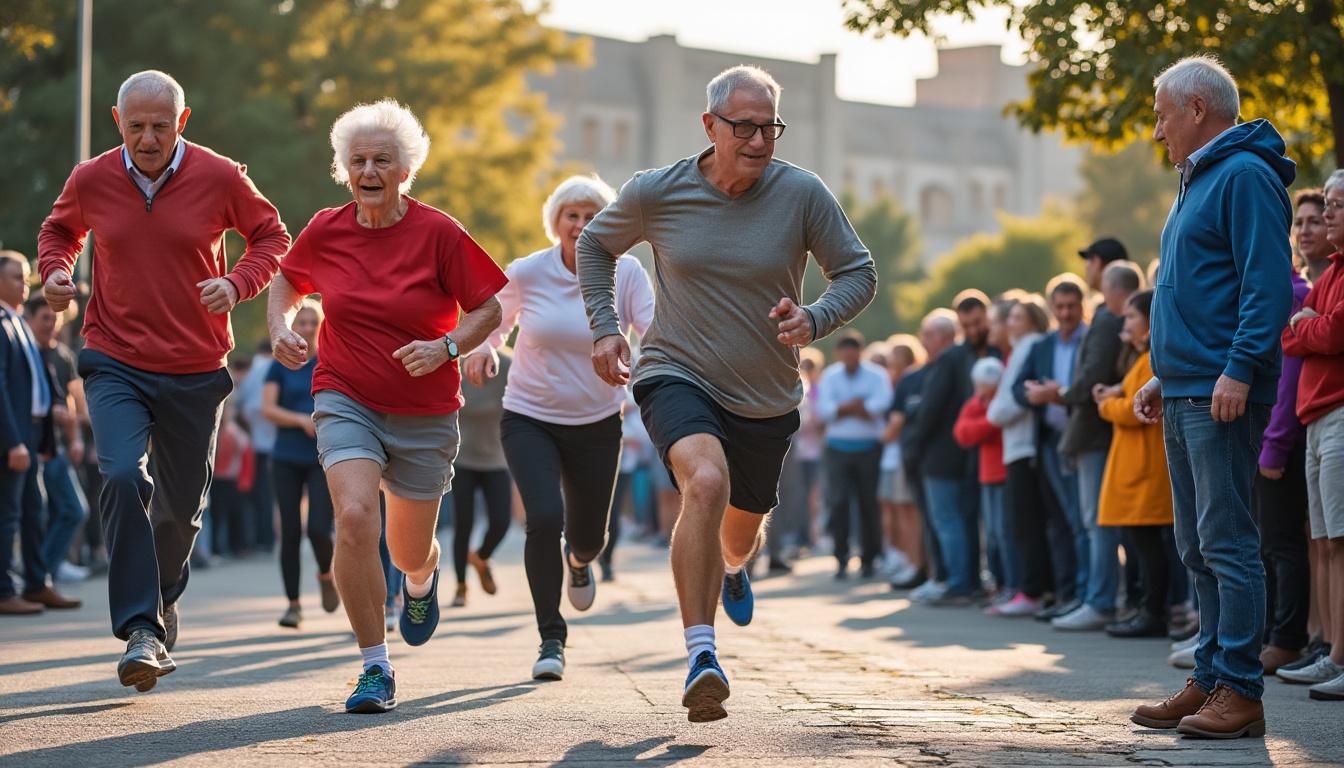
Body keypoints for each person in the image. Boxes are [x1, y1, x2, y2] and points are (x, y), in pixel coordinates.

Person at [577, 65, 876, 722]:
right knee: (703, 484)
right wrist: (605, 327)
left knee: (737, 536)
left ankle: (734, 567)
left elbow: (857, 272)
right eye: (745, 126)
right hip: (674, 370)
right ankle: (701, 653)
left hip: (766, 396)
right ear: (710, 125)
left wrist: (815, 317)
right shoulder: (658, 191)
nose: (760, 140)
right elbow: (595, 246)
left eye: (770, 126)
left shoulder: (802, 194)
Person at [37, 71, 288, 689]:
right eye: (136, 125)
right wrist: (56, 270)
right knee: (123, 474)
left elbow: (271, 237)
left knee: (181, 509)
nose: (148, 138)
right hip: (115, 356)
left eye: (160, 125)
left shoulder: (221, 175)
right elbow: (59, 232)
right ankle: (140, 629)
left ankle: (164, 596)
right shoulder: (90, 178)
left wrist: (236, 284)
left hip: (196, 366)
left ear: (183, 120)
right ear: (116, 120)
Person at [268, 99, 506, 714]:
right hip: (345, 393)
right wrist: (281, 326)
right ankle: (375, 666)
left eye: (383, 160)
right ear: (344, 171)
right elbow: (288, 281)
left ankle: (420, 580)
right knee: (352, 517)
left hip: (425, 410)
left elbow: (489, 308)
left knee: (406, 550)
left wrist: (447, 346)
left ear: (406, 170)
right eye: (358, 161)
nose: (369, 170)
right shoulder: (327, 228)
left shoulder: (439, 233)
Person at [1132, 55, 1294, 738]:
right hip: (1188, 388)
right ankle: (1209, 676)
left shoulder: (1245, 174)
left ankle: (1241, 690)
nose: (1159, 129)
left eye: (1164, 114)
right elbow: (1199, 290)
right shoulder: (1198, 177)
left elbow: (1268, 286)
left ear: (1197, 110)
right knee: (1197, 546)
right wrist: (1167, 371)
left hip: (1222, 393)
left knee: (1227, 542)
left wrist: (1237, 368)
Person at [463, 174, 654, 681]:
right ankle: (551, 637)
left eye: (593, 216)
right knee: (544, 518)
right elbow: (492, 322)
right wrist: (482, 348)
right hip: (530, 415)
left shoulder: (628, 273)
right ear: (556, 222)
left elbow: (653, 330)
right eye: (573, 215)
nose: (582, 224)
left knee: (589, 536)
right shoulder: (529, 272)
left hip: (597, 421)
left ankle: (580, 559)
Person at [1278, 169, 1344, 700]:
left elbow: (1332, 332)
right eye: (1325, 204)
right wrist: (1307, 324)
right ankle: (1324, 646)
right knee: (1322, 540)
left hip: (1337, 411)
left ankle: (1338, 653)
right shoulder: (1330, 274)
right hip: (1316, 415)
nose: (1325, 217)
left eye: (1335, 206)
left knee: (1337, 541)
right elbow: (1291, 337)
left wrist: (1308, 324)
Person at [1058, 260, 1146, 632]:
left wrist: (1066, 394)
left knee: (1098, 521)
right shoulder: (1116, 324)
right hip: (1104, 431)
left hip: (1097, 432)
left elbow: (1093, 377)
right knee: (1097, 521)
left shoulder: (1108, 322)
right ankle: (1101, 596)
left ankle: (1101, 599)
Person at [1095, 290, 1172, 638]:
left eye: (1131, 317)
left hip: (1145, 465)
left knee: (1147, 543)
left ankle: (1153, 611)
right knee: (1139, 542)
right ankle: (1144, 608)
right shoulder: (1140, 357)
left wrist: (1105, 405)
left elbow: (1132, 409)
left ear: (1148, 320)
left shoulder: (1152, 358)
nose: (1125, 324)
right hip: (1135, 462)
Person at [1015, 275, 1089, 621]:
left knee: (1081, 520)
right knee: (1058, 522)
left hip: (1081, 437)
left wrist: (1059, 393)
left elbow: (1091, 384)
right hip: (1047, 440)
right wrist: (1033, 394)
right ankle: (1066, 594)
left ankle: (1085, 595)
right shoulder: (1041, 345)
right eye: (1059, 307)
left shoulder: (1089, 338)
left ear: (1081, 306)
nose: (1065, 313)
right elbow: (1017, 388)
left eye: (1071, 306)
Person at [262, 299, 339, 629]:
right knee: (290, 531)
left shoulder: (332, 361)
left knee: (320, 529)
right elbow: (267, 408)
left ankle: (325, 573)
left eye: (313, 322)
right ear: (293, 326)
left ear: (322, 326)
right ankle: (293, 605)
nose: (307, 327)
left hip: (323, 457)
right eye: (301, 322)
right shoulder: (279, 364)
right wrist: (300, 420)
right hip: (285, 457)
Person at [1252, 249, 1311, 673]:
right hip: (1261, 436)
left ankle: (1287, 638)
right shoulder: (1264, 291)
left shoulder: (1292, 293)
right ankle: (1271, 631)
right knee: (1265, 544)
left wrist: (1273, 442)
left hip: (1283, 438)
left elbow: (1289, 380)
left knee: (1282, 544)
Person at [0, 252, 66, 616]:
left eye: (26, 277)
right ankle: (4, 590)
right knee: (8, 515)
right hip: (14, 438)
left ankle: (38, 584)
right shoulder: (1, 323)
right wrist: (12, 442)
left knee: (32, 510)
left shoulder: (17, 321)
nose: (24, 284)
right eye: (15, 277)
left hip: (32, 435)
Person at [986, 296, 1054, 617]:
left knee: (1027, 522)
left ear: (1032, 320)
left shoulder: (1030, 345)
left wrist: (996, 412)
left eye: (1015, 317)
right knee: (1021, 522)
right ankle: (1031, 588)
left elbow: (1004, 405)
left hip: (1026, 445)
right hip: (1017, 445)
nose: (1009, 323)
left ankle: (1033, 590)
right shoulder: (1018, 350)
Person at [905, 310, 976, 605]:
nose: (924, 340)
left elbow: (930, 410)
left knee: (947, 520)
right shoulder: (962, 358)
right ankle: (953, 578)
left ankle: (956, 582)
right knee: (955, 519)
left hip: (941, 454)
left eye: (929, 334)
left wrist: (915, 442)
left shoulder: (948, 360)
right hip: (957, 452)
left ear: (945, 336)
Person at [26, 294, 93, 584]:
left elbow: (75, 404)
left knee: (72, 511)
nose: (51, 324)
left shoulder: (64, 356)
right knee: (33, 514)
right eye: (44, 318)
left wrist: (75, 438)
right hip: (28, 446)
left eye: (55, 319)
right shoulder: (23, 351)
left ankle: (42, 574)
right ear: (29, 318)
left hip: (56, 449)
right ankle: (37, 576)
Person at [817, 330, 891, 579]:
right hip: (838, 448)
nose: (849, 356)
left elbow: (881, 404)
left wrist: (847, 408)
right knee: (838, 504)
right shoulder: (830, 376)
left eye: (854, 352)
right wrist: (853, 407)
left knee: (868, 504)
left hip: (869, 448)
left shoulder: (877, 375)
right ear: (839, 353)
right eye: (845, 352)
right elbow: (824, 410)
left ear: (860, 352)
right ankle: (841, 558)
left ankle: (869, 558)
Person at [450, 349, 513, 608]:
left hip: (497, 457)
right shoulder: (455, 363)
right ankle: (461, 587)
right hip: (462, 456)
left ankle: (480, 557)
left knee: (501, 521)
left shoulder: (508, 365)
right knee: (463, 524)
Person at [953, 356, 1008, 599]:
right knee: (993, 535)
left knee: (1004, 533)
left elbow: (991, 423)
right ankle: (999, 584)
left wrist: (986, 421)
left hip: (1004, 472)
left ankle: (1009, 585)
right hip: (987, 473)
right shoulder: (979, 402)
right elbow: (962, 433)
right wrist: (988, 421)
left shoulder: (1000, 402)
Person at [879, 335, 925, 587]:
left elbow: (897, 422)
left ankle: (915, 563)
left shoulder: (909, 379)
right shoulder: (896, 381)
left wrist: (881, 439)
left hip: (900, 455)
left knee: (908, 513)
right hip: (894, 456)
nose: (890, 359)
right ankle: (909, 561)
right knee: (898, 511)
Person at [235, 339, 278, 553]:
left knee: (258, 491)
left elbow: (241, 402)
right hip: (276, 439)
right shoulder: (275, 366)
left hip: (256, 441)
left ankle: (260, 538)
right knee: (268, 493)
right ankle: (267, 537)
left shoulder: (255, 370)